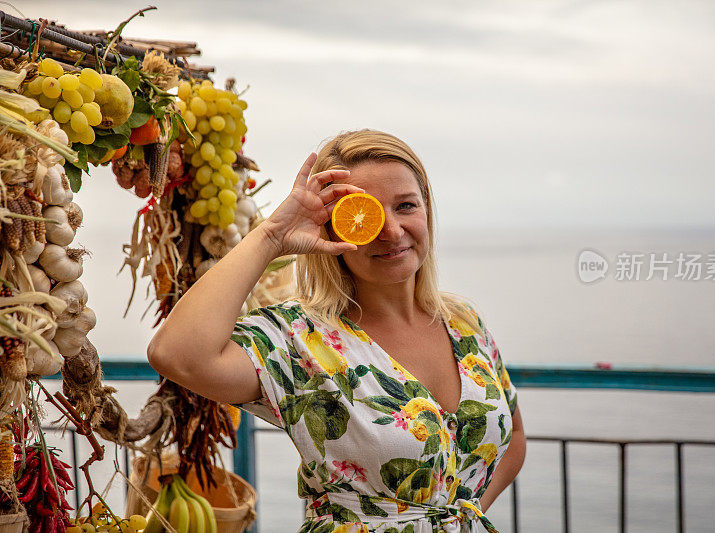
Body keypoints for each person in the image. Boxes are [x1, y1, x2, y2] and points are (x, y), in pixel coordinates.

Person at [148, 129, 526, 532]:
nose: (392, 231)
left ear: (427, 210)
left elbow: (514, 435)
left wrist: (454, 514)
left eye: (406, 206)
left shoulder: (463, 321)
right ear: (330, 228)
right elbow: (177, 353)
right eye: (365, 215)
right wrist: (272, 236)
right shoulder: (301, 340)